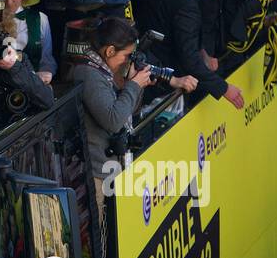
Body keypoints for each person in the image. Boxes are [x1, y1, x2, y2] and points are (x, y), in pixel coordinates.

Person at [76, 17, 196, 227]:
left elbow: (126, 112)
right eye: (126, 56)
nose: (128, 61)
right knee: (101, 240)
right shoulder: (89, 74)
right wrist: (133, 86)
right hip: (96, 176)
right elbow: (113, 120)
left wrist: (135, 85)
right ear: (110, 51)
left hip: (111, 168)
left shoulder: (104, 69)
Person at [137, 0, 244, 110]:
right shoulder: (185, 6)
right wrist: (224, 88)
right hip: (162, 92)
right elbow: (189, 59)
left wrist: (202, 51)